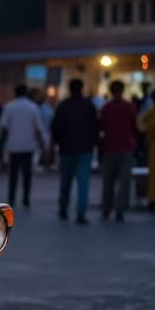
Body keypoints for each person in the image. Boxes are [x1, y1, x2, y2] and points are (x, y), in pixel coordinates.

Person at [51, 79, 99, 224]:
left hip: (66, 149)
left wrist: (55, 143)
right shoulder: (89, 105)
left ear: (70, 89)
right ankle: (80, 213)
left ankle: (63, 209)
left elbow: (56, 127)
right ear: (82, 88)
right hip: (85, 150)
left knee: (65, 181)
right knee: (83, 183)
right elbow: (95, 126)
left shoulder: (63, 106)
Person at [0, 83, 46, 208]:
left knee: (13, 174)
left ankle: (12, 197)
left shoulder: (9, 107)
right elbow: (38, 128)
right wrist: (42, 144)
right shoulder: (33, 107)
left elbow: (3, 127)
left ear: (15, 93)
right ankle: (26, 198)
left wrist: (1, 146)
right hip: (28, 146)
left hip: (13, 146)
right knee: (27, 175)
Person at [98, 80, 138, 221]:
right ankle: (120, 209)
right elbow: (134, 127)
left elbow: (100, 126)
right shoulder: (129, 107)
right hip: (126, 148)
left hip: (109, 148)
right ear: (122, 90)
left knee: (108, 181)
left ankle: (106, 208)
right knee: (124, 181)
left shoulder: (106, 108)